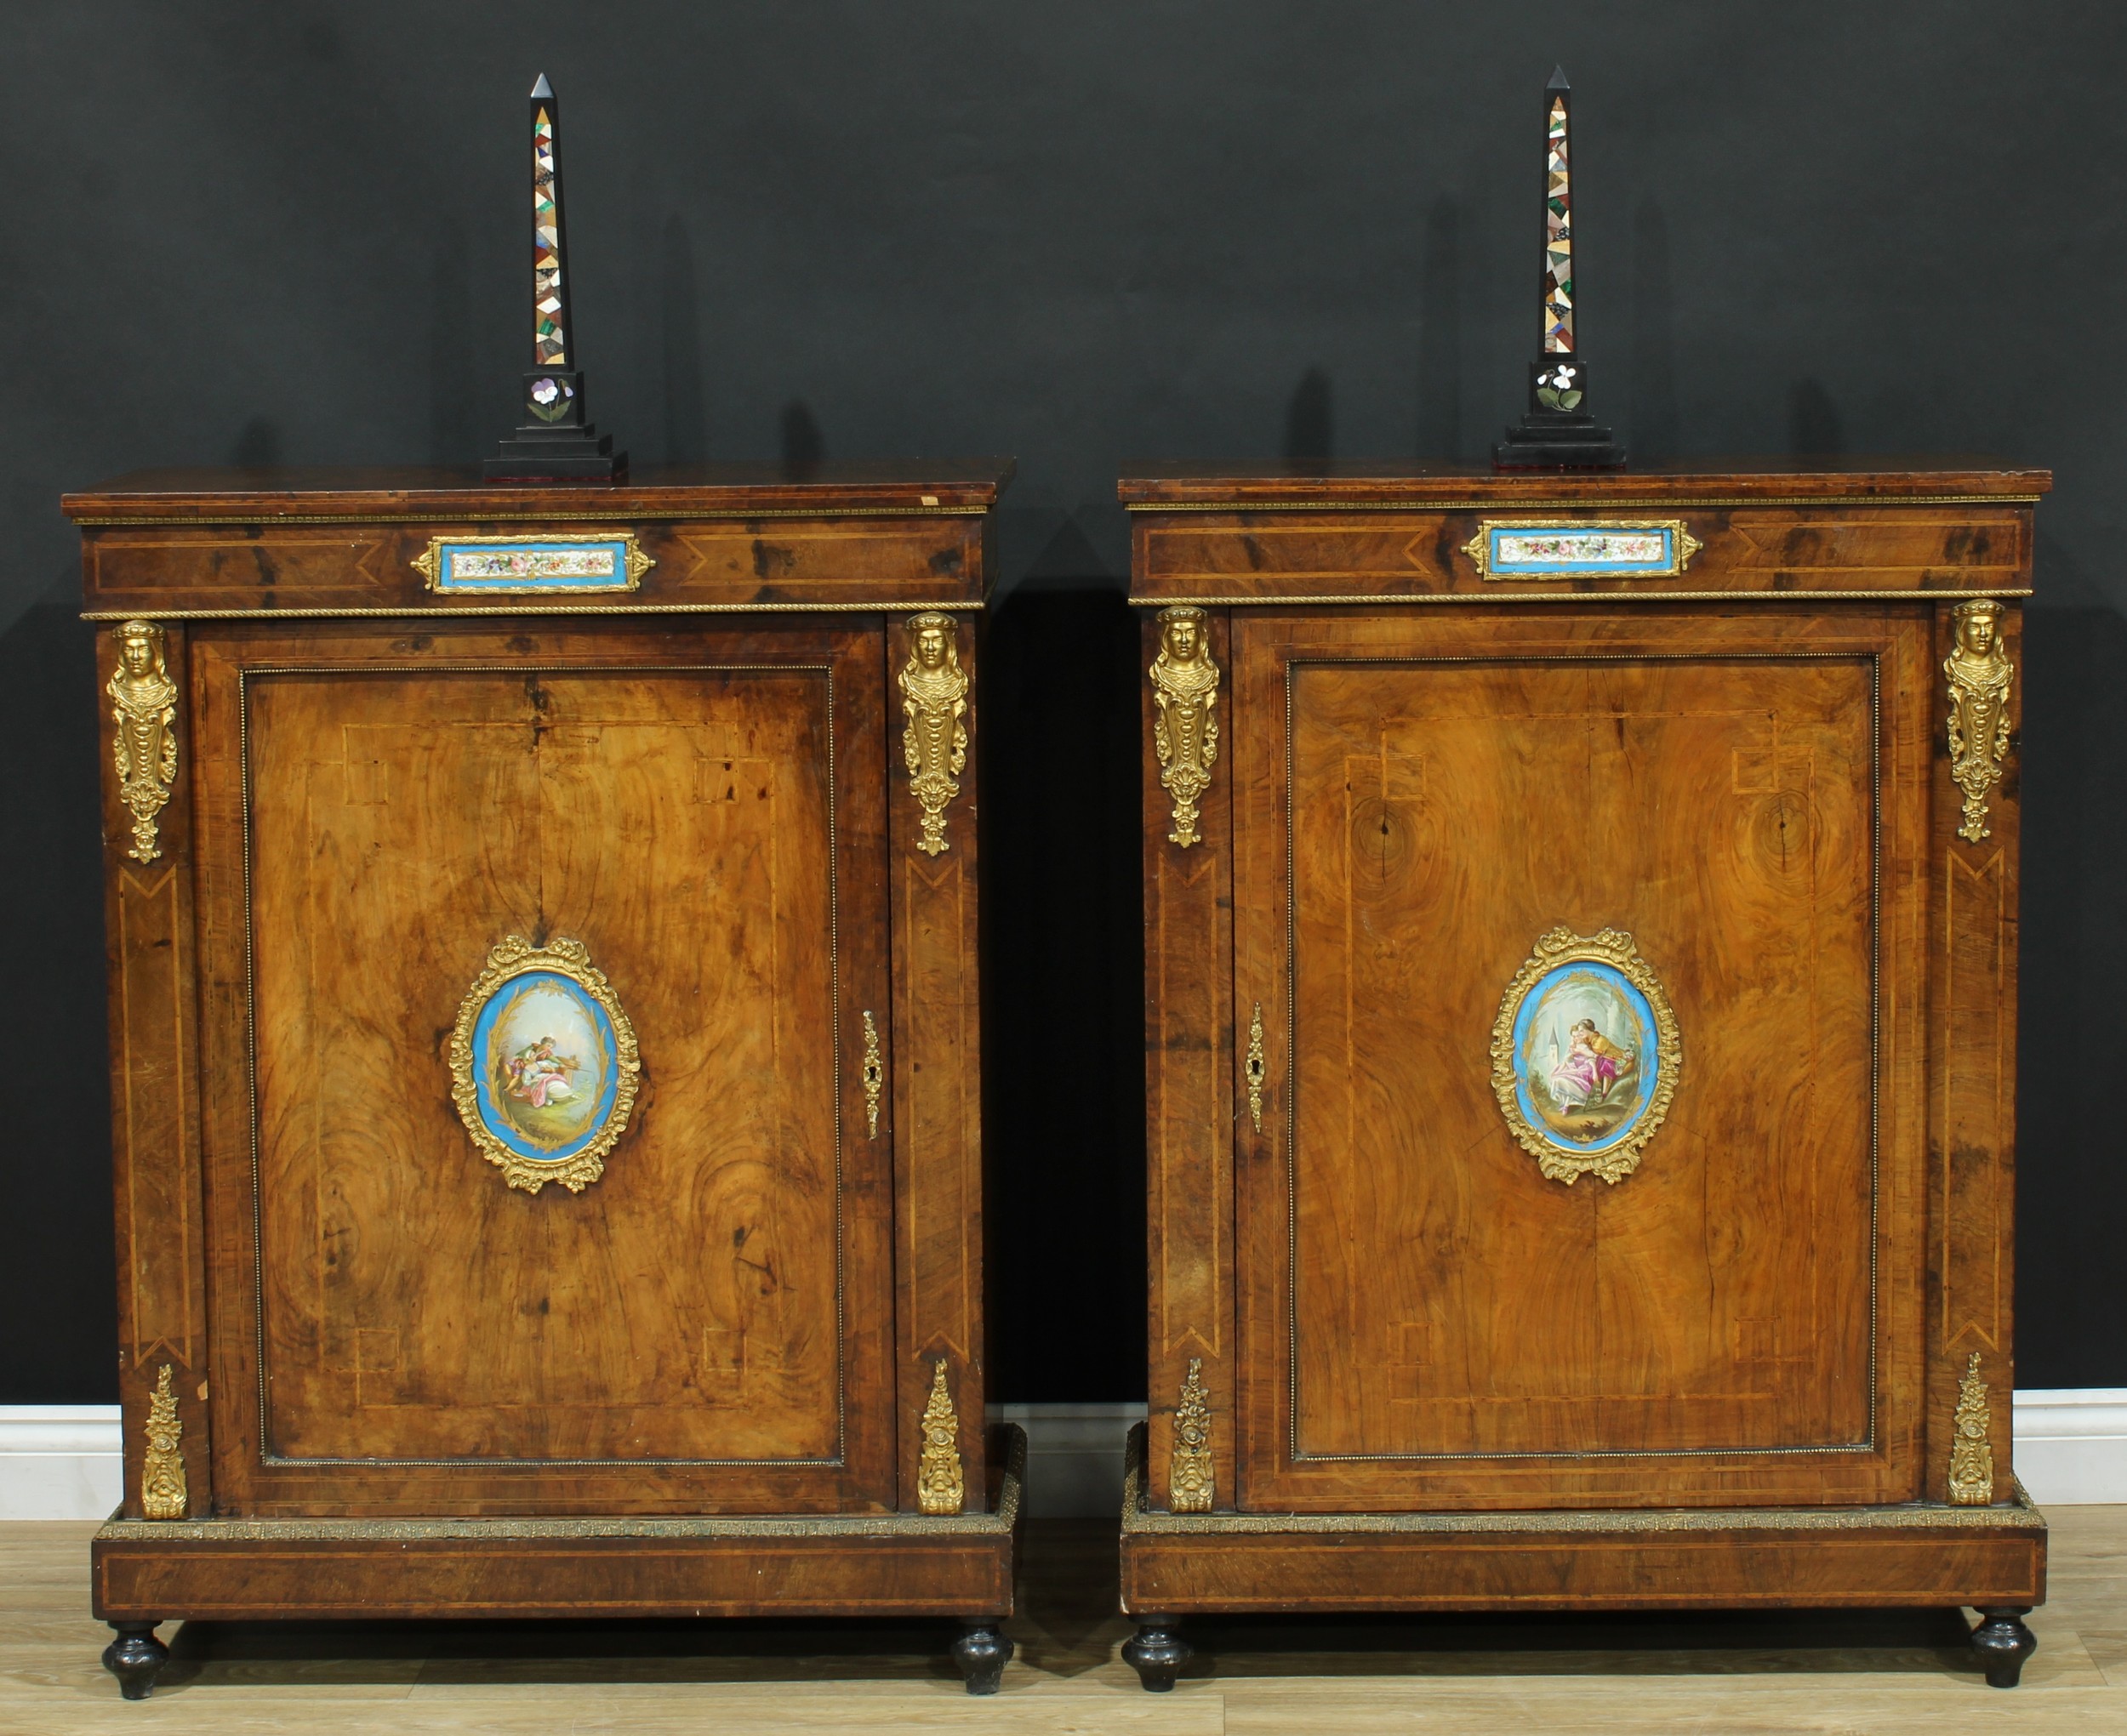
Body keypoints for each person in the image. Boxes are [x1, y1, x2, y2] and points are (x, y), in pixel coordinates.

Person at [1548, 1019, 1631, 1110]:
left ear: (1589, 1030)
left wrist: (1580, 1051)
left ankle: (1604, 1094)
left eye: (1581, 1031)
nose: (1579, 1034)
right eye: (1576, 1034)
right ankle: (1568, 1103)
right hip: (1597, 1062)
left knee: (1605, 1066)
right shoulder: (1587, 1041)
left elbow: (1595, 1054)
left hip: (1613, 1058)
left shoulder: (1599, 1040)